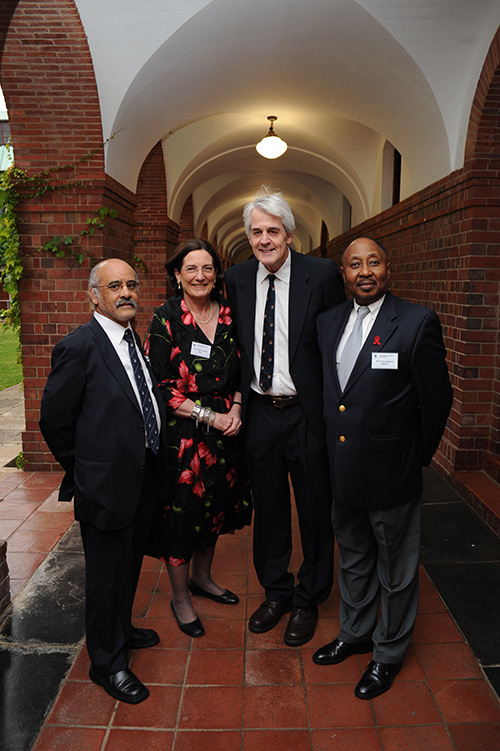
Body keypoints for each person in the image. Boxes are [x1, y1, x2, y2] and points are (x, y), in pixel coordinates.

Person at [313, 237, 453, 699]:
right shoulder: (328, 322)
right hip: (343, 471)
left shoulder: (415, 323)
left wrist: (416, 458)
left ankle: (387, 653)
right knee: (353, 559)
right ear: (344, 273)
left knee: (396, 570)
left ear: (387, 269)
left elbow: (437, 401)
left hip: (392, 472)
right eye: (355, 264)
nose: (365, 271)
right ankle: (354, 634)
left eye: (373, 262)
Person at [39, 258, 168, 705]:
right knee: (104, 576)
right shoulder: (79, 346)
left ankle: (122, 630)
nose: (126, 293)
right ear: (94, 295)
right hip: (104, 484)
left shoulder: (134, 339)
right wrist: (85, 470)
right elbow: (54, 420)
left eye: (132, 284)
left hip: (140, 477)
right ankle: (106, 663)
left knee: (129, 564)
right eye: (115, 286)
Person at [224, 188, 346, 646]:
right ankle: (276, 591)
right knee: (269, 506)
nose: (264, 239)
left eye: (272, 230)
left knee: (315, 507)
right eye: (256, 231)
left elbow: (337, 343)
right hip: (261, 414)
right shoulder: (236, 279)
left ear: (289, 234)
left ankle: (309, 596)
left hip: (306, 414)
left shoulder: (322, 275)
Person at [145, 238, 252, 638]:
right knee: (183, 513)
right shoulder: (165, 318)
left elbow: (244, 368)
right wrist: (212, 416)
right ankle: (180, 598)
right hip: (185, 435)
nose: (200, 276)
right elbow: (162, 386)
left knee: (217, 507)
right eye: (191, 268)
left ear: (216, 273)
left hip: (227, 432)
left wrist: (236, 410)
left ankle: (202, 579)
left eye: (207, 268)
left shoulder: (229, 314)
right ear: (177, 274)